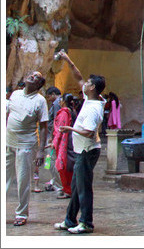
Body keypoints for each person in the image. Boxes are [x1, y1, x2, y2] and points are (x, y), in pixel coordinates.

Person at [53, 49, 106, 234]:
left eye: (88, 83)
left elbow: (89, 132)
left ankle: (86, 223)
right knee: (76, 187)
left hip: (87, 151)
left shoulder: (93, 108)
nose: (84, 84)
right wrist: (68, 60)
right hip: (81, 151)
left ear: (92, 88)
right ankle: (69, 220)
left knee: (84, 189)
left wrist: (70, 129)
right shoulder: (90, 98)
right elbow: (79, 77)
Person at [6, 69, 48, 226]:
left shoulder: (40, 100)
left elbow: (43, 127)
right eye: (31, 74)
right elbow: (8, 115)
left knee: (23, 180)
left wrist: (41, 151)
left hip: (26, 145)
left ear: (39, 84)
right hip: (8, 141)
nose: (33, 76)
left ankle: (21, 214)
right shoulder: (15, 94)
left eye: (37, 77)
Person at [52, 93, 77, 200]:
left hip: (65, 142)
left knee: (64, 166)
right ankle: (69, 189)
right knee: (69, 165)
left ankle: (68, 190)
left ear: (63, 101)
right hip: (71, 141)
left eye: (60, 99)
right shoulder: (72, 111)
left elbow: (60, 129)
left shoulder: (64, 113)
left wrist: (54, 142)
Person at [43, 86, 63, 194]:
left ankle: (56, 182)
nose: (49, 99)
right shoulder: (59, 102)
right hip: (52, 136)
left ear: (54, 94)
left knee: (50, 159)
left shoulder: (56, 104)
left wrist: (52, 137)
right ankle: (53, 179)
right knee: (49, 159)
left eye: (49, 96)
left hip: (52, 136)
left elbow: (56, 121)